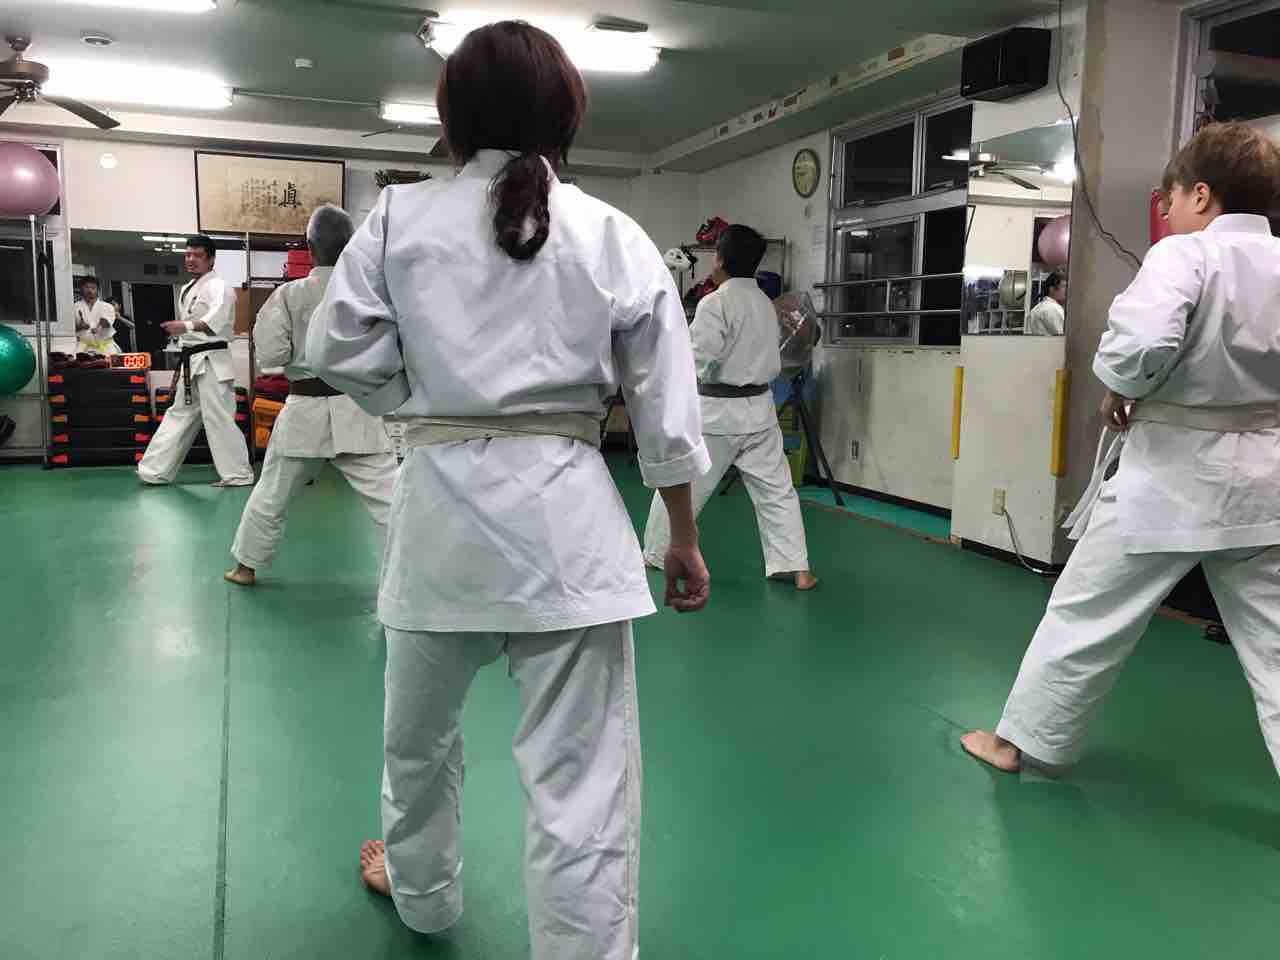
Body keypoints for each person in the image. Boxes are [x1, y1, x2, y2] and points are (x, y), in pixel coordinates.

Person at [305, 22, 711, 960]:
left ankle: (422, 894)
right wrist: (681, 535)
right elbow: (665, 405)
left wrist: (421, 403)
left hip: (438, 522)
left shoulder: (399, 218)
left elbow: (337, 347)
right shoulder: (609, 232)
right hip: (569, 533)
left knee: (416, 743)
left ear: (453, 117)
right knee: (583, 782)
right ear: (565, 114)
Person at [962, 122, 1280, 779]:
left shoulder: (1185, 255)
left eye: (1171, 197)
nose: (1169, 211)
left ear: (1200, 194)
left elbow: (1140, 348)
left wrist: (1123, 387)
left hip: (1170, 478)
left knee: (1087, 615)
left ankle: (1021, 743)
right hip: (1264, 483)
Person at [224, 205, 398, 587]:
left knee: (272, 492)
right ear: (352, 245)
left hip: (304, 411)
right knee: (391, 498)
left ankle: (245, 567)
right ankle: (413, 574)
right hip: (358, 408)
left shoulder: (288, 296)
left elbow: (271, 356)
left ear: (309, 247)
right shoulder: (372, 295)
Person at [642, 224, 817, 591]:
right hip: (760, 411)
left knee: (683, 486)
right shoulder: (767, 304)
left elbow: (698, 361)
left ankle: (656, 553)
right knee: (777, 492)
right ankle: (796, 567)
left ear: (719, 259)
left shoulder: (715, 303)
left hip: (717, 415)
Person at [137, 236, 254, 487]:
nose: (191, 259)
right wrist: (184, 330)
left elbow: (217, 321)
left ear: (211, 259)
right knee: (179, 414)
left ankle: (238, 474)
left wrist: (185, 326)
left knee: (218, 418)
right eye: (188, 255)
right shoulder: (187, 288)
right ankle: (154, 471)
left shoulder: (219, 286)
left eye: (197, 255)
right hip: (192, 359)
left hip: (212, 361)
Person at [74, 277, 120, 355]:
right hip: (83, 347)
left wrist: (99, 327)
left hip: (105, 347)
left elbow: (106, 321)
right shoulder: (75, 307)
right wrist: (80, 327)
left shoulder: (107, 306)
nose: (89, 290)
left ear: (98, 290)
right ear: (81, 289)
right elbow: (70, 328)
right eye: (86, 287)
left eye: (93, 288)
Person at [1024, 271, 1066, 336]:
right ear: (1051, 289)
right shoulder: (1053, 309)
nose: (1066, 290)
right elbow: (1063, 337)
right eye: (1063, 286)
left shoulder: (1035, 309)